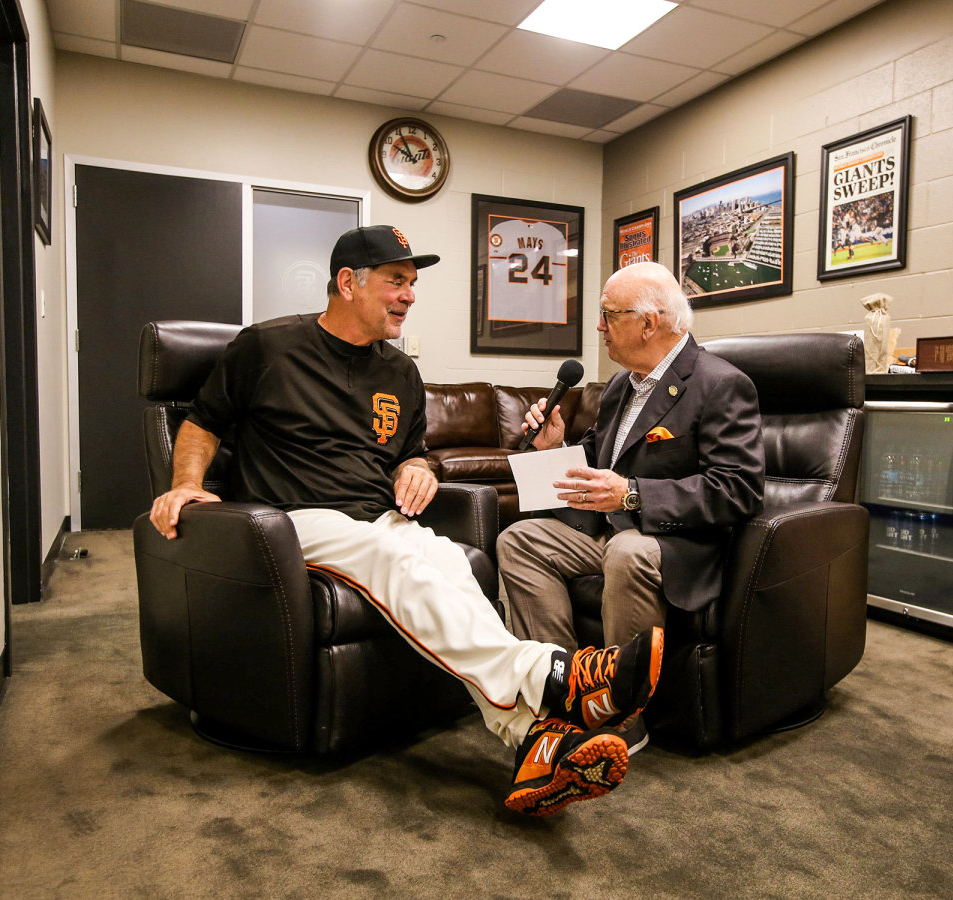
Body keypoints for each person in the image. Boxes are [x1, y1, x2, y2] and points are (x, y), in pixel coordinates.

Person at [148, 225, 664, 816]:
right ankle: (553, 674)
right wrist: (186, 485)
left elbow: (409, 451)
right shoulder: (265, 347)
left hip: (379, 518)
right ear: (348, 283)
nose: (410, 295)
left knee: (452, 565)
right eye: (397, 281)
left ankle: (530, 741)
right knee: (390, 558)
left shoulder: (399, 373)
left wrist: (415, 468)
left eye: (412, 283)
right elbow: (203, 422)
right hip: (291, 520)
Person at [495, 261, 765, 753]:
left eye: (608, 315)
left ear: (649, 322)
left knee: (627, 551)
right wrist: (555, 448)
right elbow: (600, 462)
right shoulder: (622, 384)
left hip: (676, 542)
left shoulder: (720, 384)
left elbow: (738, 489)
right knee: (519, 540)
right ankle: (569, 689)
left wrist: (633, 493)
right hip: (612, 529)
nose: (599, 327)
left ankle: (623, 714)